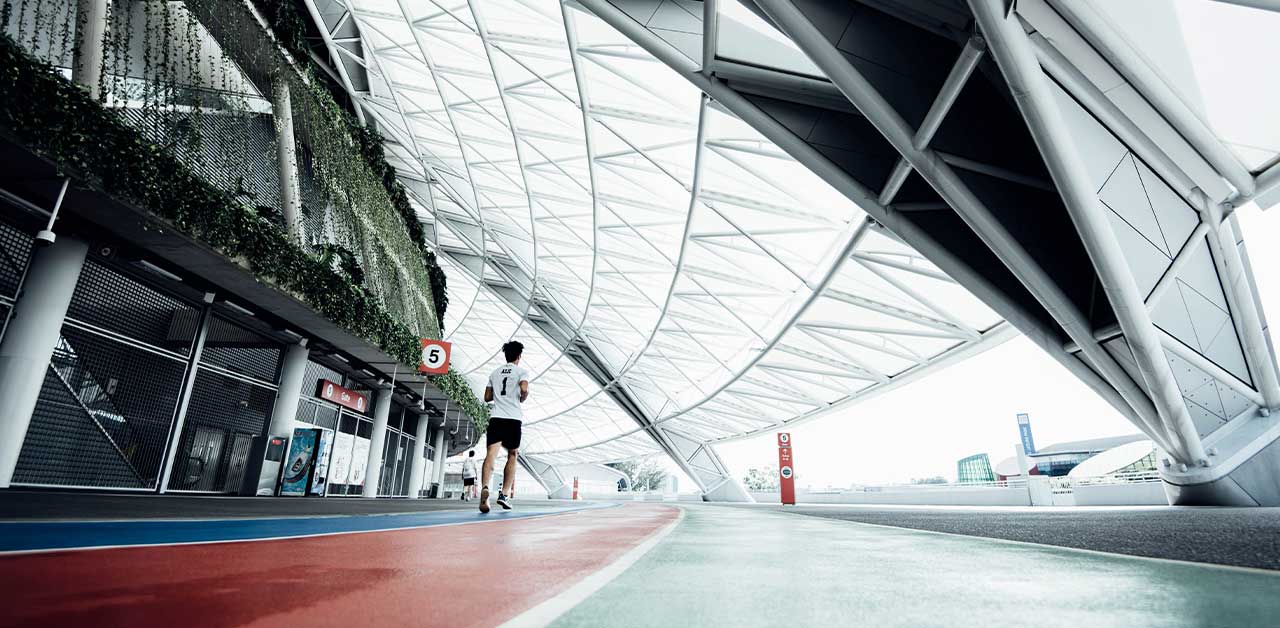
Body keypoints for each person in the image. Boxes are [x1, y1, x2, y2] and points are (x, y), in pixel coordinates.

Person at [480, 341, 529, 513]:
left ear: (506, 355)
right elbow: (524, 388)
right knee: (512, 454)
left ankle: (485, 487)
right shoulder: (521, 371)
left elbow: (487, 397)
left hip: (496, 418)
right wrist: (522, 397)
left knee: (491, 454)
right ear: (519, 356)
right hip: (513, 418)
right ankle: (504, 493)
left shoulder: (495, 373)